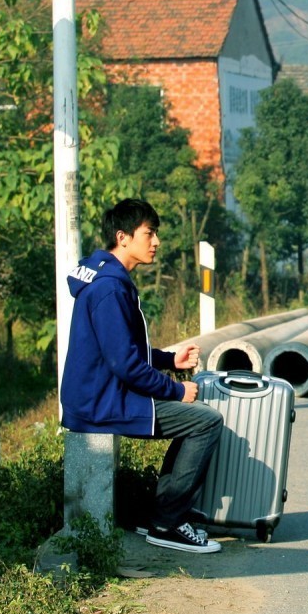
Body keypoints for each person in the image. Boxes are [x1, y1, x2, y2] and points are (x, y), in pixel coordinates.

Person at [60, 198, 223, 554]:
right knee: (206, 422)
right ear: (123, 237)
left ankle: (165, 512)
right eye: (149, 233)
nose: (156, 242)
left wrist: (169, 358)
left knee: (198, 419)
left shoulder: (105, 276)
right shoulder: (110, 288)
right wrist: (176, 390)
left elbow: (121, 351)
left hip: (96, 393)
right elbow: (126, 365)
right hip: (102, 402)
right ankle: (167, 521)